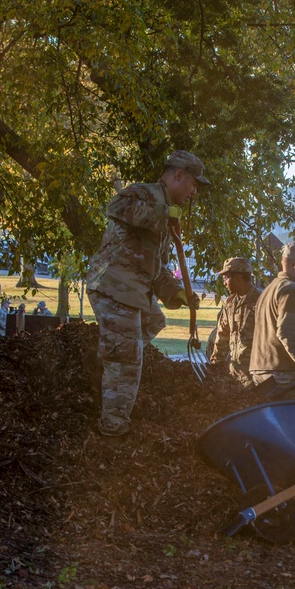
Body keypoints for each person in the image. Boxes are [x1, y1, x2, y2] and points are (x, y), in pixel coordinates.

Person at [85, 150, 208, 437]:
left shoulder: (167, 218)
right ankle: (113, 428)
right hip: (114, 286)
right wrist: (164, 214)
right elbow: (116, 206)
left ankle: (110, 353)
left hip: (133, 291)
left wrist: (178, 294)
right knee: (129, 359)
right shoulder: (144, 194)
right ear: (178, 175)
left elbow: (157, 267)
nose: (194, 192)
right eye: (193, 184)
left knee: (154, 322)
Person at [249, 243, 295, 400]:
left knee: (277, 418)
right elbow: (287, 332)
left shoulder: (270, 289)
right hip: (283, 371)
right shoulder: (292, 290)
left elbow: (273, 328)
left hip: (261, 368)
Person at [209, 257, 262, 385]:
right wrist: (215, 366)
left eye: (226, 278)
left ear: (238, 277)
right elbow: (222, 336)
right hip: (235, 374)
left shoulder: (261, 301)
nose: (224, 282)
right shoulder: (230, 303)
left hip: (257, 376)